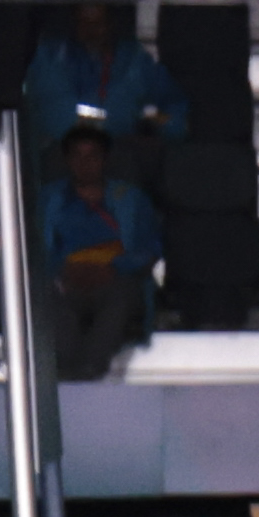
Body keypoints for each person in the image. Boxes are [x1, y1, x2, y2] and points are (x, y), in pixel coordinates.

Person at [33, 122, 161, 381]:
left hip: (115, 278)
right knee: (47, 296)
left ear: (105, 159)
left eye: (92, 156)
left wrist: (113, 268)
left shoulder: (131, 198)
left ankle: (90, 369)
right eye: (77, 156)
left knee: (120, 298)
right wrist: (64, 270)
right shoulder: (48, 199)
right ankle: (65, 370)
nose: (85, 163)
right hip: (65, 279)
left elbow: (150, 249)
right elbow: (36, 249)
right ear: (66, 160)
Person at [23, 3, 188, 167]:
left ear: (111, 24)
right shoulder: (46, 57)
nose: (91, 30)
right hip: (52, 160)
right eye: (84, 22)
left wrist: (153, 124)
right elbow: (19, 101)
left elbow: (174, 112)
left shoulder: (135, 62)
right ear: (73, 23)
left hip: (116, 162)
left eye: (98, 23)